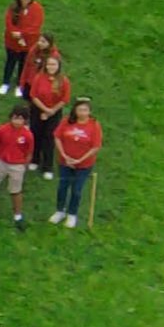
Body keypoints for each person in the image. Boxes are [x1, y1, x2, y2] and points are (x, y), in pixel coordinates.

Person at [53, 97, 103, 229]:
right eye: (79, 109)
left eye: (85, 110)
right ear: (75, 110)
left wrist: (80, 160)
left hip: (83, 165)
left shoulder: (94, 125)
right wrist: (64, 155)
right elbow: (57, 137)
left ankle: (72, 214)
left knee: (76, 190)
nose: (82, 112)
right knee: (62, 187)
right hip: (65, 162)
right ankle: (60, 211)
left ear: (89, 111)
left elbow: (96, 146)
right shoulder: (66, 122)